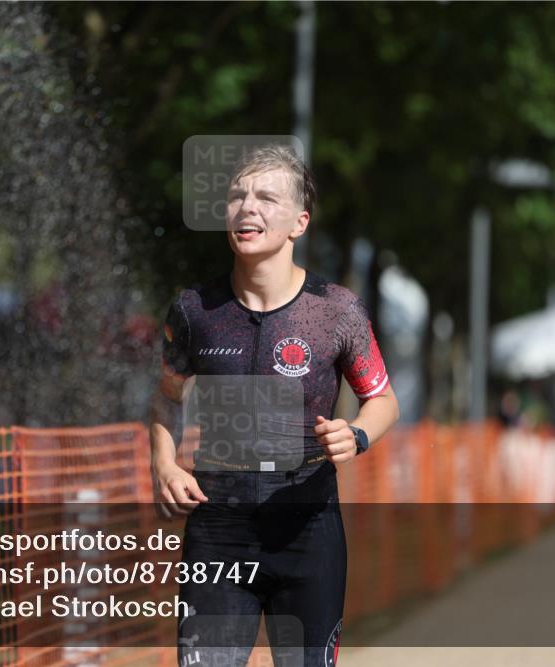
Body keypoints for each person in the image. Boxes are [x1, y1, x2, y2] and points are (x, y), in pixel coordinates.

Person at [149, 144, 399, 666]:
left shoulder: (335, 310)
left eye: (266, 198)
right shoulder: (195, 309)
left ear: (298, 223)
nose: (248, 208)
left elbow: (381, 399)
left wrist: (355, 435)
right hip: (218, 530)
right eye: (237, 196)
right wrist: (163, 464)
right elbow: (167, 398)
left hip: (307, 526)